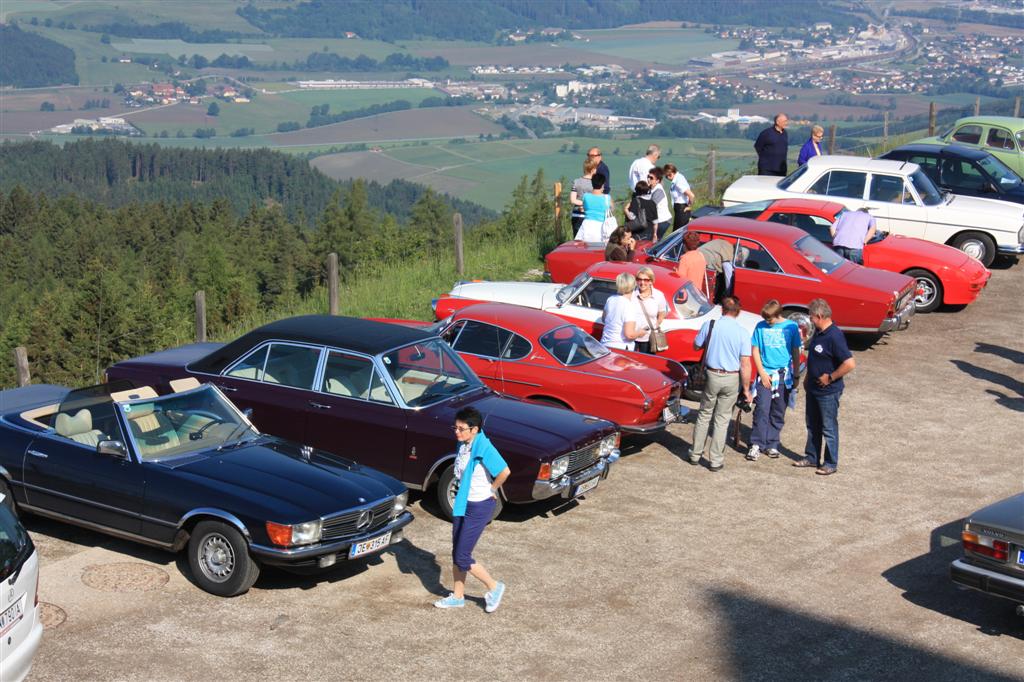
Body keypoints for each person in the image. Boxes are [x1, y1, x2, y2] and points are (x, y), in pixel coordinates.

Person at [435, 406, 511, 611]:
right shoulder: (464, 445)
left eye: (461, 428)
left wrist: (492, 489)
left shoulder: (484, 447)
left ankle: (494, 587)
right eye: (455, 427)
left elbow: (504, 471)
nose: (456, 432)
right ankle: (458, 596)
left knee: (462, 556)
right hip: (463, 503)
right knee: (457, 552)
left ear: (474, 429)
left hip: (479, 506)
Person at [688, 296, 752, 471]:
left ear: (722, 309)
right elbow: (745, 363)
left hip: (711, 375)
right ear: (737, 312)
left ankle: (695, 453)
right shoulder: (743, 333)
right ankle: (715, 460)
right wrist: (746, 389)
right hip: (731, 377)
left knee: (704, 415)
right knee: (722, 419)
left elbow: (696, 346)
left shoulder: (710, 325)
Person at [793, 299, 855, 476]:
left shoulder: (834, 336)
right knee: (812, 425)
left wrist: (831, 377)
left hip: (827, 392)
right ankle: (812, 457)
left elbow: (850, 363)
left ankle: (830, 462)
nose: (810, 320)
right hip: (813, 389)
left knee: (828, 427)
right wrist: (807, 380)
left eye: (812, 317)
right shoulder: (820, 333)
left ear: (820, 316)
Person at [747, 300, 802, 461]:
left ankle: (772, 443)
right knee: (762, 408)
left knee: (778, 410)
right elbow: (755, 350)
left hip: (784, 376)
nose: (767, 322)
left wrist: (797, 374)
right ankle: (756, 443)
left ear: (778, 315)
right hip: (765, 374)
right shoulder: (760, 326)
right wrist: (762, 373)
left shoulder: (791, 327)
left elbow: (795, 351)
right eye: (765, 319)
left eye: (770, 319)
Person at [600, 272, 647, 350]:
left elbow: (604, 319)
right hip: (621, 347)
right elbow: (629, 335)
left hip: (605, 343)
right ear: (633, 286)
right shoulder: (629, 305)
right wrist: (640, 333)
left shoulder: (610, 299)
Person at [631, 266, 668, 354]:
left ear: (651, 281)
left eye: (646, 280)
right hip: (632, 338)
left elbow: (662, 313)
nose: (642, 282)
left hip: (648, 339)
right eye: (639, 279)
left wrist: (655, 325)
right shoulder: (631, 294)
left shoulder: (658, 295)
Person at [575, 173, 614, 242]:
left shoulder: (586, 196)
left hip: (587, 225)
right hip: (602, 226)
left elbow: (583, 207)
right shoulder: (607, 198)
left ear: (592, 183)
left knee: (585, 249)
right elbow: (612, 209)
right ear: (602, 184)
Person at [569, 157, 597, 234]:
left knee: (577, 243)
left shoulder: (576, 182)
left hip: (577, 214)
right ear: (593, 170)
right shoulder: (596, 184)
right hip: (591, 215)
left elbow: (573, 200)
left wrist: (582, 204)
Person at [664, 163, 695, 231]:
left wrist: (689, 206)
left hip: (681, 209)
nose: (667, 178)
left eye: (667, 176)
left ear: (671, 173)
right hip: (679, 209)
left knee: (678, 232)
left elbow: (691, 195)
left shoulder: (678, 182)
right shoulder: (678, 177)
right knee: (678, 232)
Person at [647, 166, 673, 241]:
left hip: (663, 220)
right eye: (648, 176)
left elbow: (651, 206)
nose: (648, 179)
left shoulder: (658, 191)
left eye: (651, 178)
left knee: (654, 241)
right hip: (660, 220)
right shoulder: (652, 189)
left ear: (657, 180)